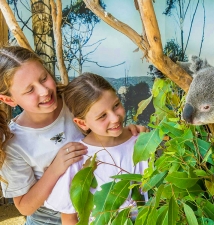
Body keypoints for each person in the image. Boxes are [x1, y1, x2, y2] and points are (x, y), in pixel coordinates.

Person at [0, 46, 146, 225]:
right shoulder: (14, 142)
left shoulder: (75, 103)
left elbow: (108, 129)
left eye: (44, 78)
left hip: (98, 211)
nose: (44, 91)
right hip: (49, 219)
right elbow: (24, 207)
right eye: (30, 90)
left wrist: (128, 134)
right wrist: (55, 170)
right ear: (9, 100)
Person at [44, 72, 148, 224]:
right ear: (82, 123)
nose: (114, 118)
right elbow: (69, 217)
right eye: (102, 116)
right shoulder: (78, 158)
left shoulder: (140, 142)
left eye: (116, 105)